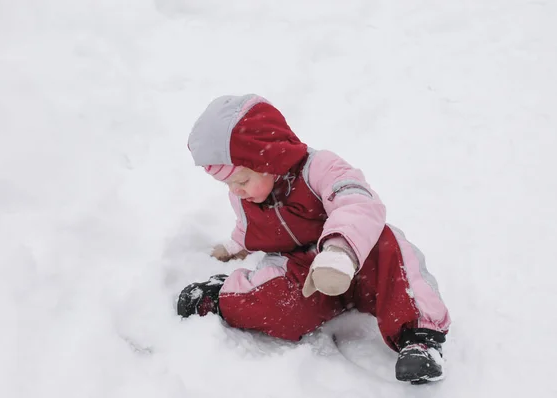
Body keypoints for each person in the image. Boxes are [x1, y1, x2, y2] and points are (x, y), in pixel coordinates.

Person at [177, 94, 451, 384]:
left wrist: (339, 251)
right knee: (277, 304)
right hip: (305, 276)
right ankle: (223, 296)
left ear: (270, 159)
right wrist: (235, 248)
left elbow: (357, 202)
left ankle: (420, 340)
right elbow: (247, 229)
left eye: (242, 180)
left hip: (356, 259)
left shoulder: (319, 168)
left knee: (388, 248)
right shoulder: (244, 199)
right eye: (229, 184)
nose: (237, 190)